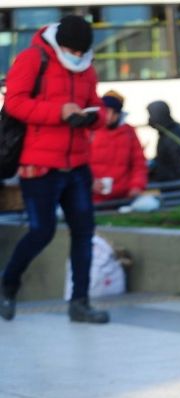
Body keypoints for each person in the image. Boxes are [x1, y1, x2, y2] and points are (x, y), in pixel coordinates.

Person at [0, 15, 109, 324]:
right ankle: (8, 283)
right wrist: (58, 112)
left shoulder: (86, 67)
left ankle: (80, 303)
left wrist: (93, 117)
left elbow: (96, 105)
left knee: (84, 234)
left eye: (81, 53)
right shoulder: (33, 58)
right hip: (39, 165)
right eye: (73, 52)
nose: (77, 57)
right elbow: (15, 104)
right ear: (61, 45)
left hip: (77, 165)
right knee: (41, 231)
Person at [89, 90, 148, 204]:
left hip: (124, 198)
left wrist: (137, 186)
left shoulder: (129, 132)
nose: (107, 116)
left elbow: (139, 163)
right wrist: (90, 181)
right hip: (93, 198)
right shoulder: (89, 131)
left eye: (112, 112)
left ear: (118, 114)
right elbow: (80, 162)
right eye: (105, 111)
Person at [145, 100, 180, 183]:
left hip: (177, 187)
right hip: (171, 184)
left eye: (151, 115)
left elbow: (177, 165)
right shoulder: (166, 132)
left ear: (158, 115)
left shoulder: (174, 134)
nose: (149, 119)